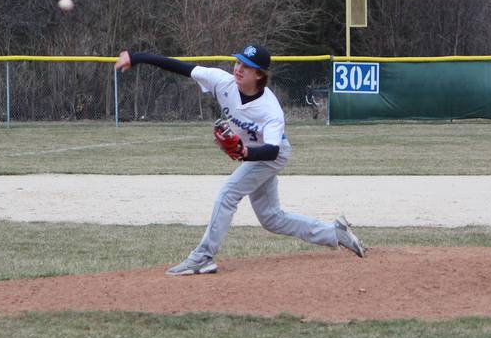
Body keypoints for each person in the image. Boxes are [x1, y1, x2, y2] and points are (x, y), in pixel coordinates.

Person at [114, 44, 366, 276]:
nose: (238, 68)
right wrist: (136, 58)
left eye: (246, 66)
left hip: (271, 154)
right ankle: (334, 233)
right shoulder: (222, 82)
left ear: (259, 74)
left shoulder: (270, 109)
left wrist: (246, 154)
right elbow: (180, 66)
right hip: (257, 153)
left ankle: (202, 257)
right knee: (272, 218)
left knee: (228, 194)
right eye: (238, 62)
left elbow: (272, 151)